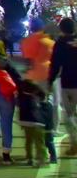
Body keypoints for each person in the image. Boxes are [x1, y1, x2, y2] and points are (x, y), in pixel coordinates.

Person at [48, 17, 77, 156]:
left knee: (70, 114)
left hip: (69, 83)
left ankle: (74, 142)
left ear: (61, 29)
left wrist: (50, 81)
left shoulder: (60, 43)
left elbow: (55, 65)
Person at [17, 79, 49, 165]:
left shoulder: (21, 97)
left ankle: (30, 158)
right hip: (37, 122)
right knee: (40, 142)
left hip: (25, 121)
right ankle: (43, 158)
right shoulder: (36, 98)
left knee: (29, 141)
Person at [21, 19, 55, 92]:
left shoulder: (25, 41)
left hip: (31, 75)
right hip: (47, 73)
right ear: (43, 27)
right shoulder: (49, 42)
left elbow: (26, 59)